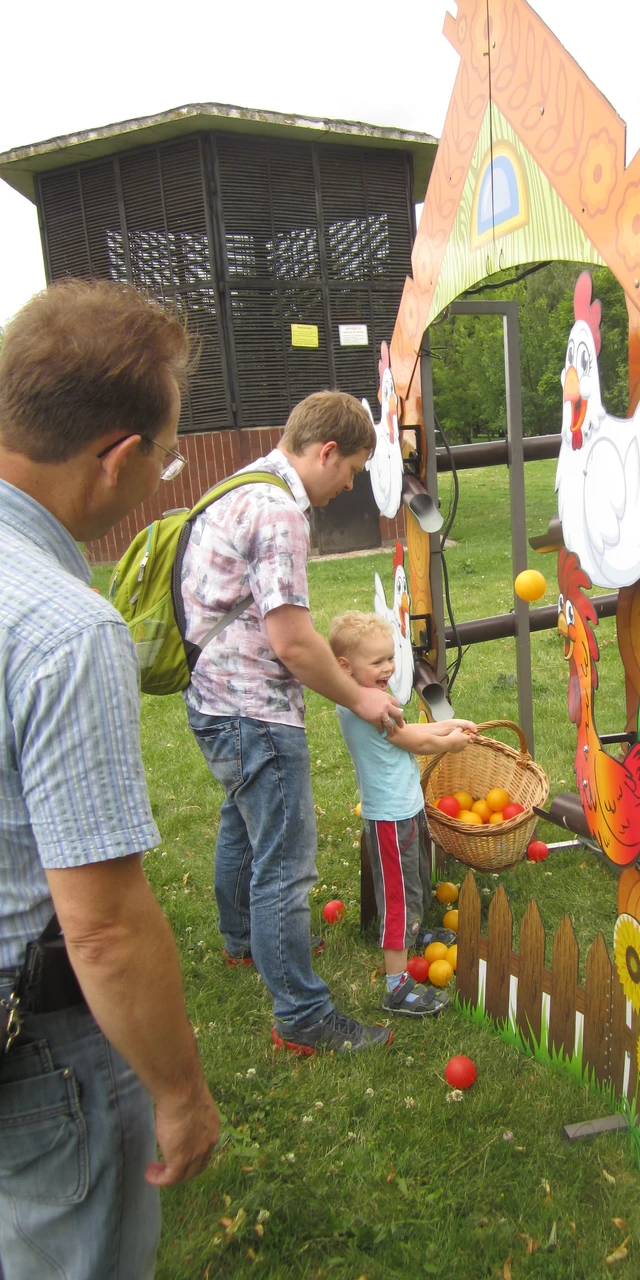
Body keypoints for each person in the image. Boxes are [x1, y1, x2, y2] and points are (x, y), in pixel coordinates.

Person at [0, 280, 220, 1279]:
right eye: (166, 455)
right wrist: (178, 1090)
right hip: (39, 1057)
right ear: (118, 457)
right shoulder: (67, 629)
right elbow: (102, 922)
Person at [181, 391, 404, 1055]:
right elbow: (294, 643)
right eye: (352, 470)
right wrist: (360, 698)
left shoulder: (242, 483)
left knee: (242, 826)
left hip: (212, 701)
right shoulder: (280, 512)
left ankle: (243, 941)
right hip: (255, 712)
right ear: (326, 451)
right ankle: (302, 1016)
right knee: (285, 862)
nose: (350, 485)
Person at [329, 612, 476, 1016]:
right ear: (345, 668)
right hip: (390, 819)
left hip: (404, 810)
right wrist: (449, 742)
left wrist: (450, 726)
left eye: (390, 657)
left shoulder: (373, 701)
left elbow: (409, 734)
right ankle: (396, 988)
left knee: (413, 881)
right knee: (397, 898)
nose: (389, 667)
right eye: (377, 662)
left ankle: (413, 932)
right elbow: (413, 742)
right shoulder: (366, 708)